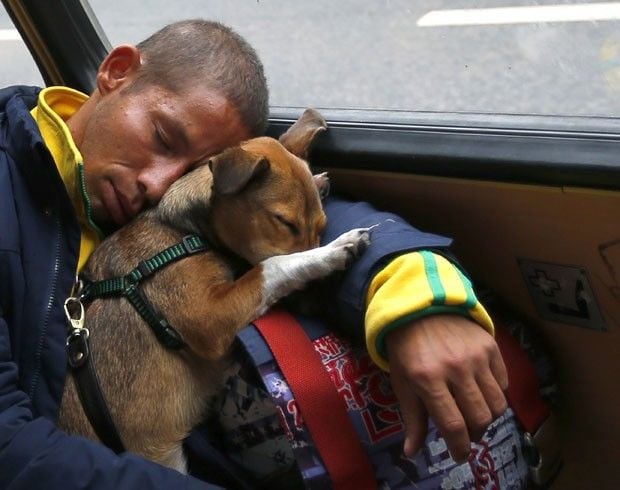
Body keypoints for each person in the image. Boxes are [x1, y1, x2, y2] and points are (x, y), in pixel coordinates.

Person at [0, 18, 519, 489]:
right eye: (161, 135)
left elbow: (294, 208)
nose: (159, 185)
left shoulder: (172, 195)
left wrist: (412, 295)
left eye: (193, 171)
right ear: (117, 71)